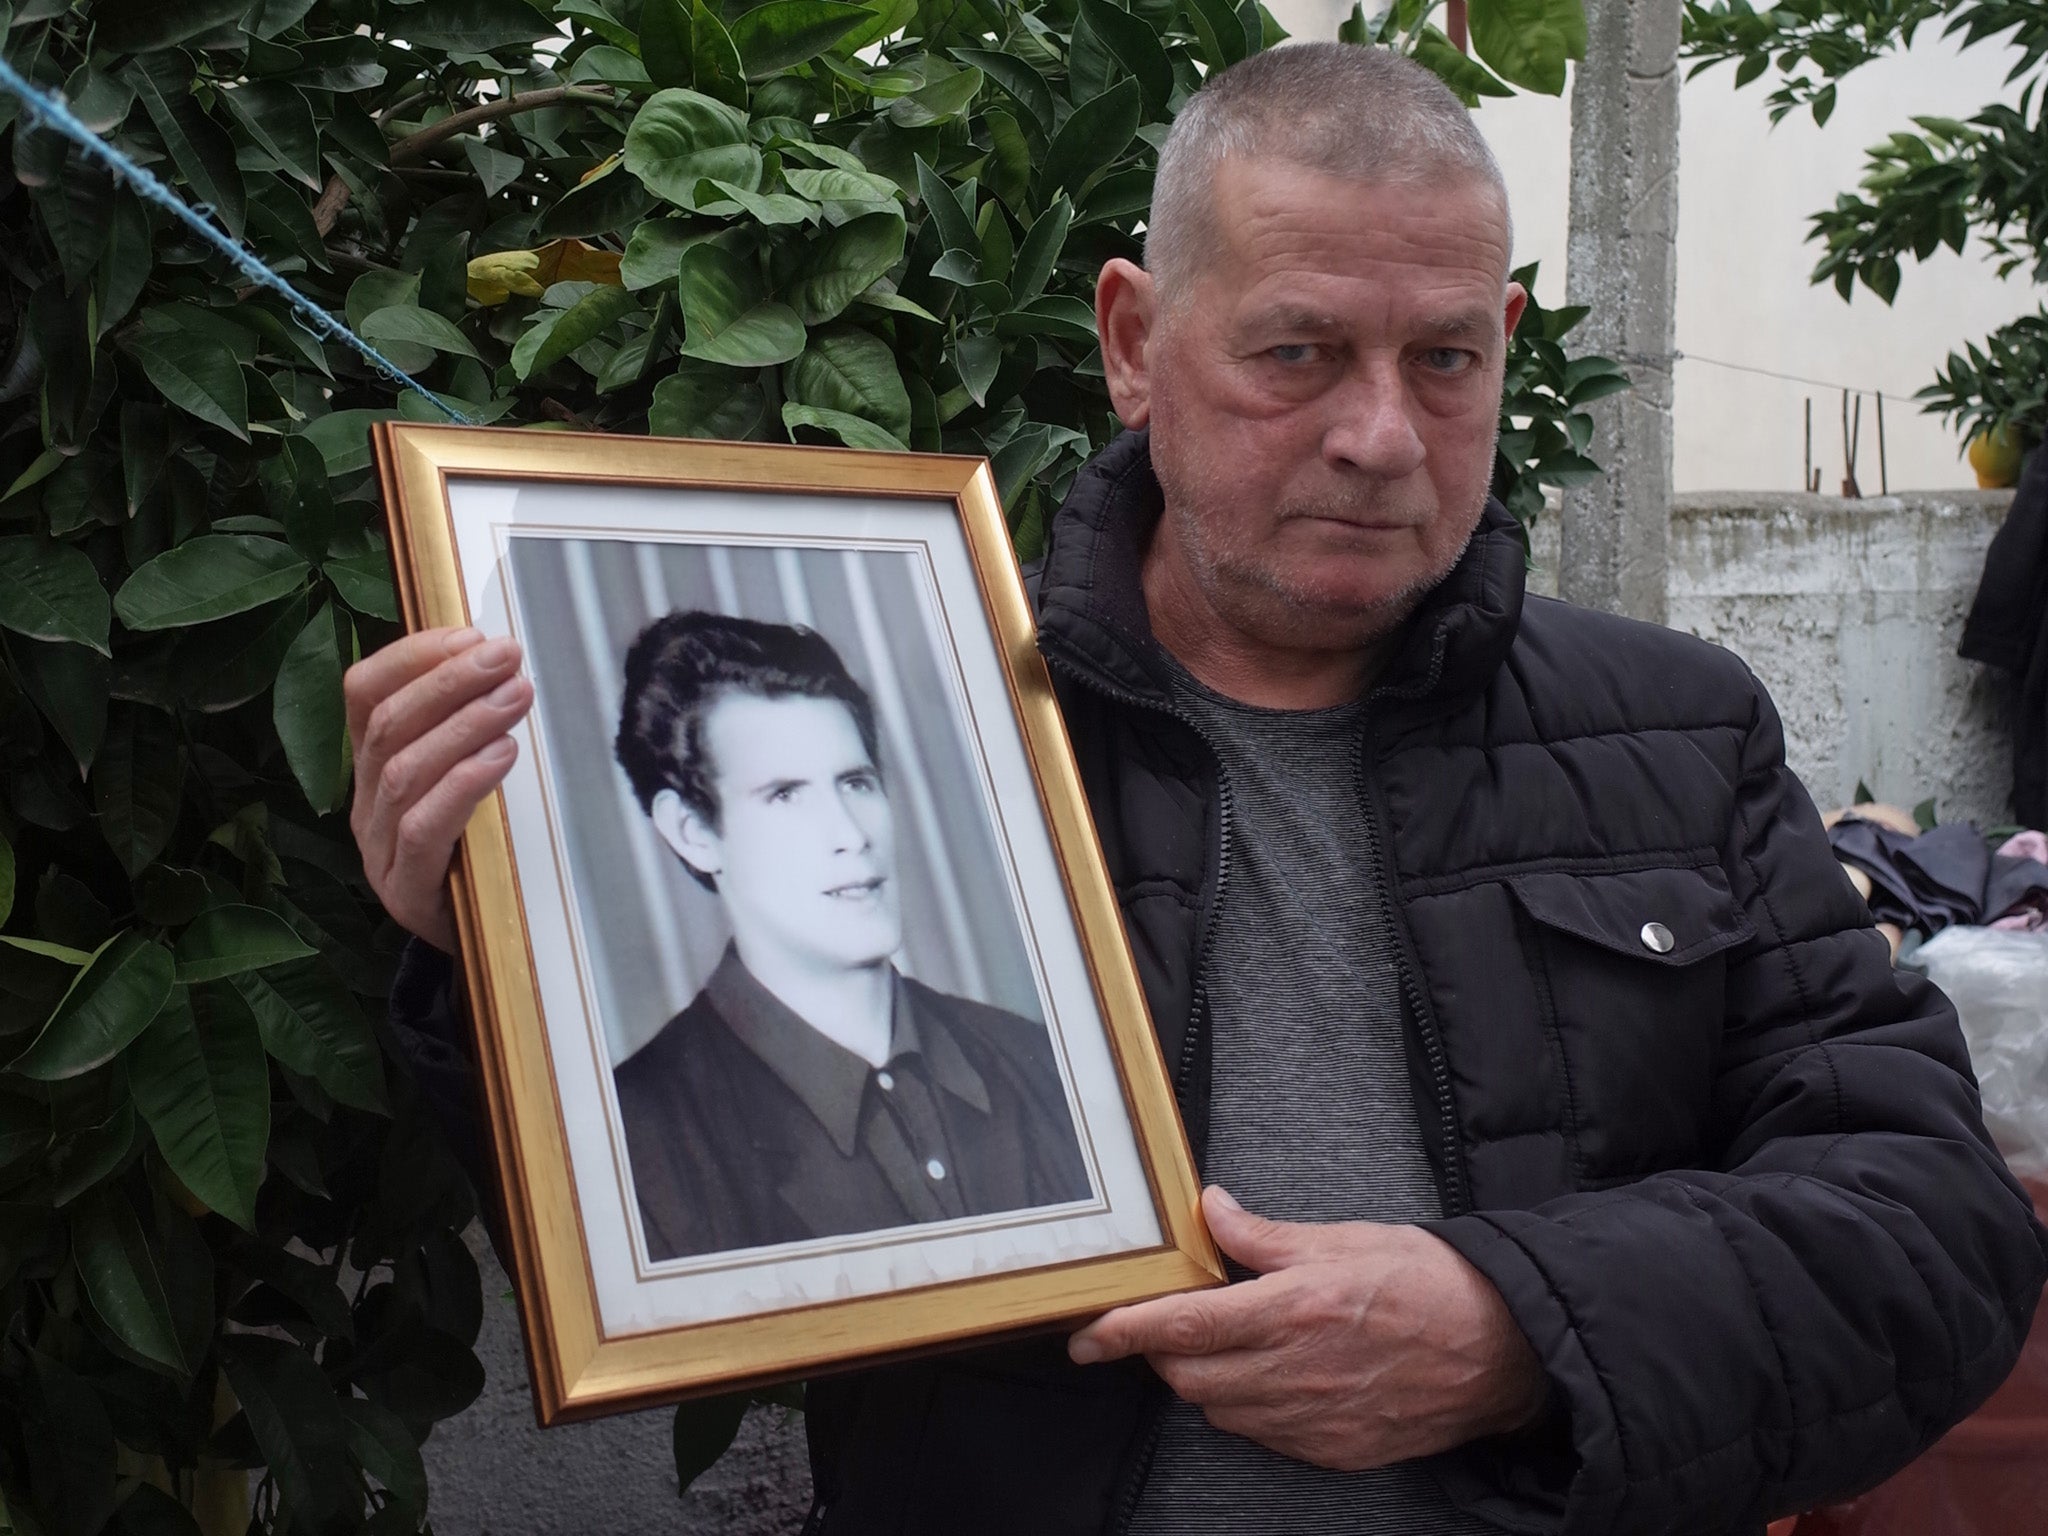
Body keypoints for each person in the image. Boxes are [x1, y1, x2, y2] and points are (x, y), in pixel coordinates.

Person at [345, 41, 2048, 1536]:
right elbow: (667, 1237)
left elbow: (1929, 1236)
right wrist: (485, 932)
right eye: (1296, 353)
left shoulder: (1671, 734)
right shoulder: (939, 712)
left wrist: (1515, 1330)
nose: (1380, 433)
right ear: (1134, 340)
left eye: (1444, 359)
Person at [605, 610, 1090, 1260]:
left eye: (856, 783)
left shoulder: (1040, 1060)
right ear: (693, 830)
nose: (850, 833)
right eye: (785, 794)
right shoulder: (634, 1137)